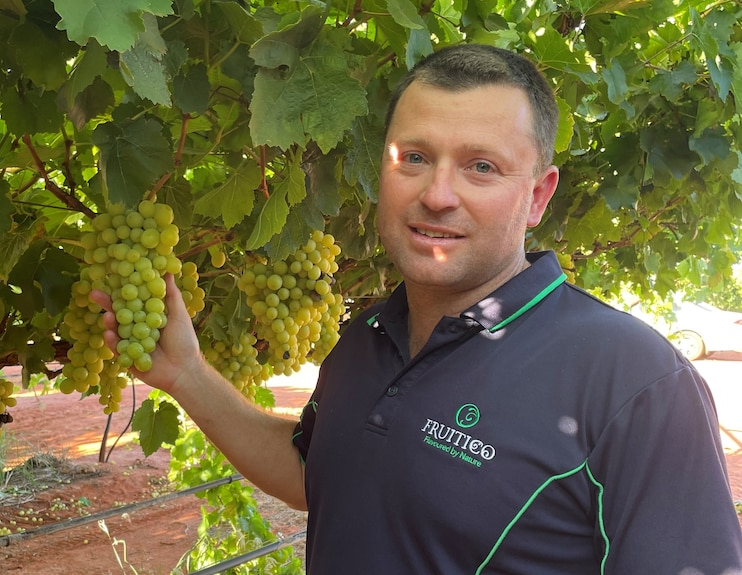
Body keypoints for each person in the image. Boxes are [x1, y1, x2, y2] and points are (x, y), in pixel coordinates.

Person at [92, 44, 742, 574]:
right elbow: (314, 471)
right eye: (415, 157)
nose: (437, 194)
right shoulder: (365, 338)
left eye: (481, 166)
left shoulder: (637, 384)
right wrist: (187, 374)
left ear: (539, 195)